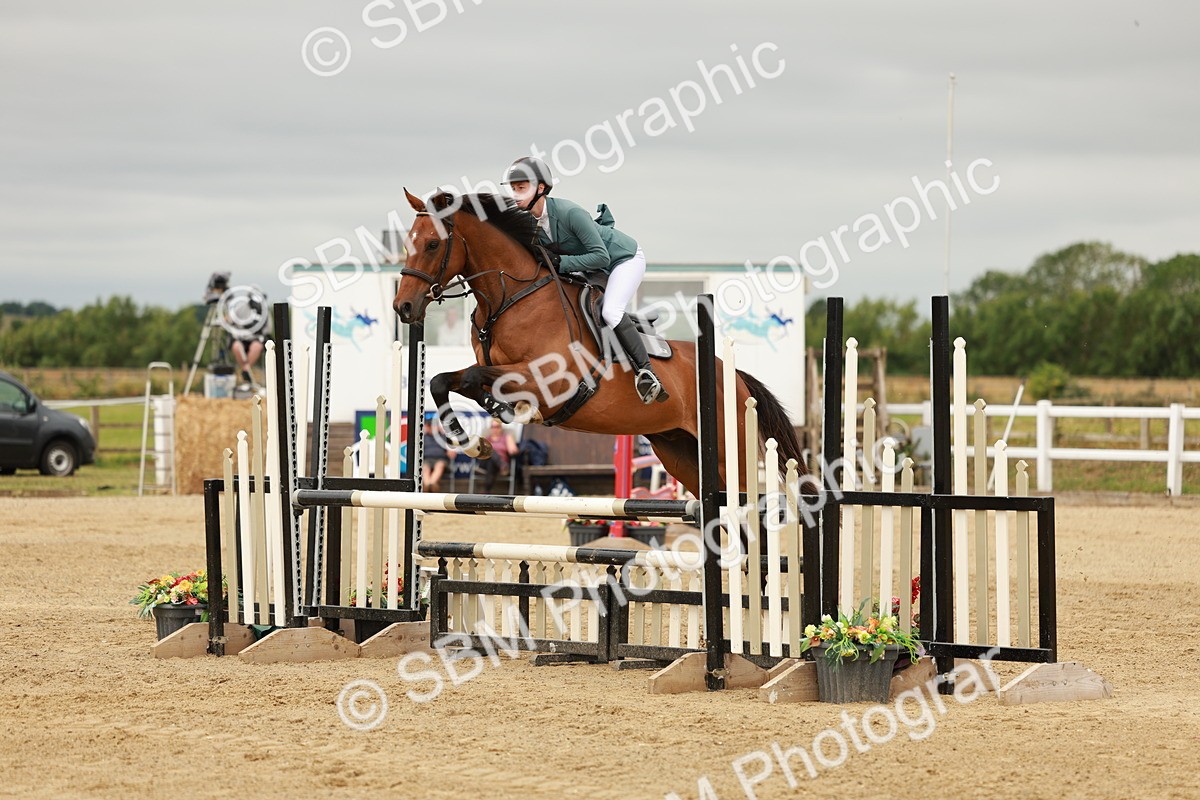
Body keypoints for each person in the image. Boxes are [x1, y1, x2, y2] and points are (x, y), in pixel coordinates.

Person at [501, 156, 667, 405]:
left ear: (541, 188)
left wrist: (562, 263)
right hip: (590, 265)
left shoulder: (570, 212)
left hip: (622, 259)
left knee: (611, 311)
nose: (515, 195)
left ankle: (646, 373)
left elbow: (600, 257)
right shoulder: (530, 223)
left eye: (521, 188)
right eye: (513, 188)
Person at [480, 419, 519, 493]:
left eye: (497, 427)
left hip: (495, 464)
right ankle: (502, 465)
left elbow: (513, 451)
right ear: (490, 428)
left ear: (501, 428)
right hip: (486, 462)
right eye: (493, 427)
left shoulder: (506, 437)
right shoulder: (486, 439)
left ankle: (487, 490)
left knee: (491, 462)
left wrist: (512, 447)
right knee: (490, 451)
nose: (495, 429)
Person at [421, 418, 450, 491]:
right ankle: (429, 485)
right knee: (424, 468)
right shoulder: (422, 438)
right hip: (426, 459)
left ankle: (430, 484)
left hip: (440, 459)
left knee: (439, 466)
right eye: (429, 426)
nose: (431, 428)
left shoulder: (443, 437)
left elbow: (451, 452)